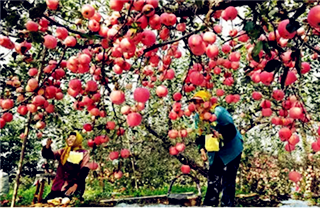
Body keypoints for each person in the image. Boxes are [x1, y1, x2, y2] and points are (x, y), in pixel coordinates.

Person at [191, 90, 243, 207]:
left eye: (200, 102)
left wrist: (221, 136)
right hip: (216, 151)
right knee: (213, 178)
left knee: (228, 180)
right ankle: (209, 205)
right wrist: (202, 149)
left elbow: (231, 130)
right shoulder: (197, 117)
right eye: (195, 102)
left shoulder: (218, 112)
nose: (197, 105)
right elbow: (199, 136)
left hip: (232, 149)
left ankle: (227, 205)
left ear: (207, 102)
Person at [42, 131, 90, 203]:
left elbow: (84, 170)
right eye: (69, 137)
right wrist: (47, 147)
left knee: (67, 202)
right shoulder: (63, 152)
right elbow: (49, 155)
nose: (70, 139)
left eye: (73, 137)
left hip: (72, 187)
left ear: (78, 140)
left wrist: (76, 185)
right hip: (58, 187)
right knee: (48, 202)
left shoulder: (83, 153)